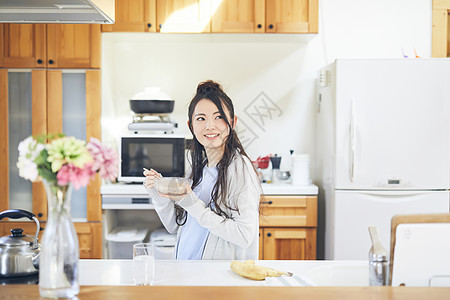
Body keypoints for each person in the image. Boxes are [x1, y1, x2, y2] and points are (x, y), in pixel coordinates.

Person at [143, 80, 262, 260]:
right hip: (187, 272)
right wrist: (159, 195)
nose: (209, 126)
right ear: (191, 126)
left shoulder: (239, 168)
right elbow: (175, 227)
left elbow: (244, 235)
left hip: (216, 279)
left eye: (218, 117)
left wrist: (191, 203)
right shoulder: (197, 167)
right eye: (201, 118)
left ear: (233, 121)